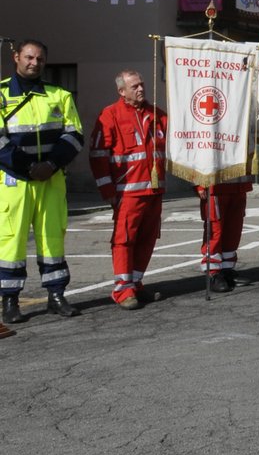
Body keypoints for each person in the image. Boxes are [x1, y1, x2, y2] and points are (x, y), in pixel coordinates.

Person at [0, 39, 83, 324]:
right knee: (11, 242)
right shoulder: (0, 94)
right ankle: (9, 301)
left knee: (52, 237)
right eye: (29, 57)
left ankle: (56, 296)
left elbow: (74, 134)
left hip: (51, 178)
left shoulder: (59, 94)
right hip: (14, 181)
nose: (35, 63)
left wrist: (50, 164)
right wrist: (29, 167)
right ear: (16, 58)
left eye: (40, 59)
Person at [88, 69, 166, 309]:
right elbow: (98, 156)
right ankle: (123, 290)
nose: (141, 89)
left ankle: (136, 283)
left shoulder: (158, 115)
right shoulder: (110, 115)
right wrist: (108, 191)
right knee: (124, 240)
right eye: (135, 86)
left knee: (148, 238)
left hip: (154, 191)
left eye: (142, 84)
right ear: (121, 91)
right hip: (127, 192)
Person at [196, 175, 251, 292]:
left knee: (233, 230)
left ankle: (227, 269)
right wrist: (198, 183)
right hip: (214, 184)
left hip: (238, 185)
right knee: (215, 230)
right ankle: (212, 273)